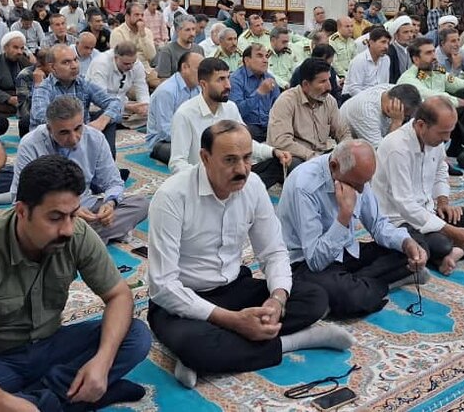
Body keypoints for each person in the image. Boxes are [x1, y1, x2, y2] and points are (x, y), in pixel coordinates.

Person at [0, 156, 151, 411]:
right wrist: (4, 404)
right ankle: (70, 399)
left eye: (72, 215)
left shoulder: (76, 233)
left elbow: (119, 296)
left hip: (51, 346)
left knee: (136, 336)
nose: (67, 229)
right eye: (55, 218)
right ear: (22, 212)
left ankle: (44, 399)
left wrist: (102, 363)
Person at [147, 119, 350, 388]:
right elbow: (163, 286)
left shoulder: (252, 186)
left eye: (247, 158)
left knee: (314, 298)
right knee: (195, 344)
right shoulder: (172, 197)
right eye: (230, 160)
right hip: (184, 299)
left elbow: (274, 252)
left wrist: (276, 300)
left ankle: (217, 353)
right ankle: (292, 342)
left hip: (234, 288)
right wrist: (233, 321)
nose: (242, 169)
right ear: (205, 158)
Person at [277, 139, 427, 317]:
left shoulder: (356, 177)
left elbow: (378, 225)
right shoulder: (304, 186)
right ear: (334, 166)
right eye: (356, 185)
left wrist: (406, 242)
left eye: (366, 183)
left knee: (416, 244)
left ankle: (354, 283)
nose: (361, 191)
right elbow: (315, 260)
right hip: (305, 263)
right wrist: (344, 216)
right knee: (351, 297)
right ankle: (366, 284)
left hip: (346, 252)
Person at [374, 97, 464, 274]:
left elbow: (441, 170)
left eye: (450, 132)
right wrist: (451, 231)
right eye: (443, 133)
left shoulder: (434, 139)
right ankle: (444, 251)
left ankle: (455, 253)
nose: (447, 138)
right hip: (399, 221)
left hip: (429, 214)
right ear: (421, 125)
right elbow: (405, 205)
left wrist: (443, 202)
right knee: (441, 244)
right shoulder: (397, 148)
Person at [16, 96, 148, 242]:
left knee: (140, 204)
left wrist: (110, 204)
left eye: (78, 128)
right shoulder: (31, 144)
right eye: (64, 132)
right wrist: (70, 212)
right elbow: (18, 197)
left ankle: (70, 239)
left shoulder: (95, 138)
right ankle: (88, 237)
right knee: (27, 221)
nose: (74, 138)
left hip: (86, 207)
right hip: (51, 212)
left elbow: (113, 182)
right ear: (49, 129)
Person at [169, 58, 289, 187]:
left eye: (228, 78)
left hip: (234, 171)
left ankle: (242, 189)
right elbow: (177, 162)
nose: (228, 85)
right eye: (221, 79)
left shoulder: (230, 107)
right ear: (204, 84)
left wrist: (273, 151)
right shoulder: (185, 114)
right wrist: (206, 178)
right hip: (205, 180)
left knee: (277, 163)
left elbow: (246, 143)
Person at [29, 44, 122, 157]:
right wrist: (75, 127)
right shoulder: (43, 88)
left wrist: (102, 121)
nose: (74, 66)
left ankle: (107, 158)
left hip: (80, 136)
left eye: (75, 60)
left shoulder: (83, 83)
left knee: (108, 117)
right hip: (55, 141)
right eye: (66, 62)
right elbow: (40, 116)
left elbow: (115, 102)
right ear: (52, 67)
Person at [268, 58, 352, 166]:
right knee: (295, 163)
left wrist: (347, 151)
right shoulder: (286, 102)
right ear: (306, 85)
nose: (329, 87)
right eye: (322, 82)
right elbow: (281, 141)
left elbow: (343, 132)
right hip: (299, 157)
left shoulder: (329, 100)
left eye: (328, 80)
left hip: (322, 154)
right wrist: (312, 156)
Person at [146, 51, 201, 163]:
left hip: (189, 137)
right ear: (185, 67)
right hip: (162, 142)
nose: (203, 74)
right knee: (196, 155)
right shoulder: (166, 91)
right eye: (199, 70)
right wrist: (193, 139)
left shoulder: (198, 88)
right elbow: (165, 131)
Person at [340, 83, 421, 149]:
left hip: (380, 136)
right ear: (396, 106)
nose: (406, 119)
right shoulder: (367, 112)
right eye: (406, 116)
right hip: (350, 145)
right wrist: (396, 123)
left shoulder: (392, 90)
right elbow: (381, 152)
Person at [228, 44, 281, 143]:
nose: (265, 60)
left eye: (266, 56)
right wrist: (259, 93)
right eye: (260, 56)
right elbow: (236, 111)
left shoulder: (270, 78)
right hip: (247, 128)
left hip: (269, 126)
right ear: (247, 60)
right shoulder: (235, 80)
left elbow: (279, 106)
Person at [87, 41, 150, 121]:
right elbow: (100, 98)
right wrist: (128, 107)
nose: (130, 66)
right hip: (96, 109)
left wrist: (145, 107)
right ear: (116, 58)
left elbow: (142, 88)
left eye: (133, 63)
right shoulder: (101, 64)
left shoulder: (137, 64)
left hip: (122, 107)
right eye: (126, 64)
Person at [0, 31, 32, 124]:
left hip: (21, 99)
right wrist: (8, 98)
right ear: (5, 48)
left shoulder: (24, 61)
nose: (19, 52)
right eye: (15, 48)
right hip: (1, 100)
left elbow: (31, 82)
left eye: (21, 48)